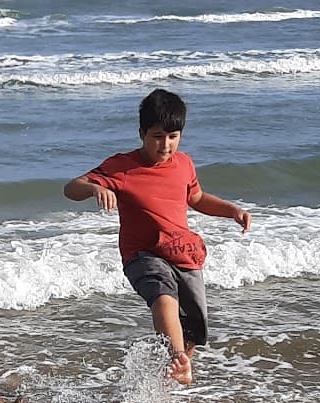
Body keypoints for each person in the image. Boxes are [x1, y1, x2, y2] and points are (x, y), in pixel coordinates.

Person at [64, 87, 252, 381]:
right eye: (157, 136)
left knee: (193, 328)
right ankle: (177, 359)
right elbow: (71, 188)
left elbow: (197, 198)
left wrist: (231, 210)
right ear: (142, 133)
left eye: (173, 137)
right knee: (164, 298)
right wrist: (96, 188)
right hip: (142, 254)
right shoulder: (122, 167)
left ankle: (172, 379)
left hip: (181, 252)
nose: (165, 145)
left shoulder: (184, 164)